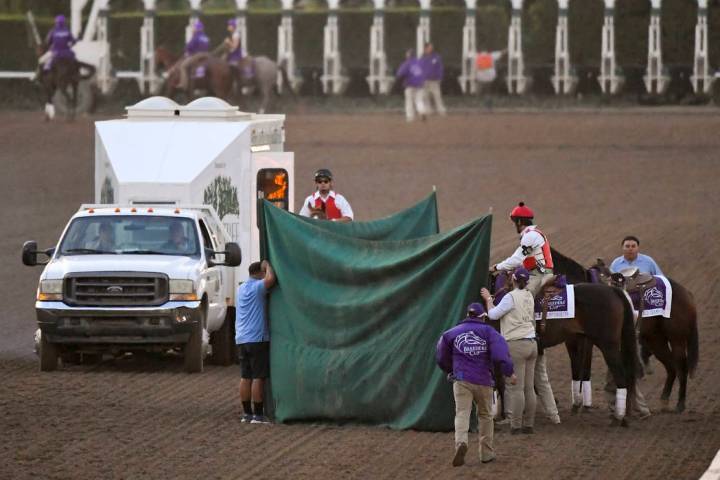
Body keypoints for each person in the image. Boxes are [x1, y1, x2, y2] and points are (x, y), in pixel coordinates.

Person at [436, 302, 515, 467]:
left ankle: (461, 443)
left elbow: (441, 356)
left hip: (461, 379)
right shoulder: (489, 332)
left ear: (467, 315)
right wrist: (509, 371)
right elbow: (501, 355)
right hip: (483, 380)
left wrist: (451, 369)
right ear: (482, 316)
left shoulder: (451, 334)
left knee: (462, 413)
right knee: (485, 416)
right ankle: (486, 453)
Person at [481, 267, 537, 435]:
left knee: (516, 387)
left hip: (516, 344)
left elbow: (493, 315)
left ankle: (516, 425)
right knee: (528, 387)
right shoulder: (529, 295)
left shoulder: (510, 297)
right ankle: (529, 424)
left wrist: (488, 299)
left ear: (513, 279)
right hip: (532, 343)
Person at [236, 260, 276, 424]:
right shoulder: (258, 287)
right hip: (257, 338)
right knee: (258, 377)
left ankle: (247, 414)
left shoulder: (241, 288)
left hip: (241, 338)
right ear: (259, 273)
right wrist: (268, 266)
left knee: (246, 377)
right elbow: (271, 280)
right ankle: (258, 415)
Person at [491, 202, 554, 297]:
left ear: (519, 222)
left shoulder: (530, 235)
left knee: (521, 298)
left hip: (540, 275)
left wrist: (496, 267)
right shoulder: (531, 234)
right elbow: (523, 261)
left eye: (514, 222)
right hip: (538, 273)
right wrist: (508, 269)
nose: (514, 225)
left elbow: (516, 259)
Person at [178, 20, 211, 91]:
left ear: (197, 28)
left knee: (183, 66)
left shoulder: (196, 36)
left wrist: (187, 52)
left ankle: (183, 85)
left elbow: (189, 47)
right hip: (207, 55)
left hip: (198, 55)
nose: (193, 29)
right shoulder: (205, 37)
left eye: (194, 28)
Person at [396, 49, 426, 122]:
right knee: (419, 100)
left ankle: (410, 117)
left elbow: (399, 73)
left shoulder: (407, 63)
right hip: (420, 84)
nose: (406, 55)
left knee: (409, 101)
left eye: (407, 54)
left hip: (410, 84)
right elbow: (424, 72)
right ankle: (422, 111)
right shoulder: (420, 62)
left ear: (409, 55)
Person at [420, 42, 446, 116]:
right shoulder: (422, 58)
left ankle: (441, 111)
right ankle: (428, 111)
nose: (431, 48)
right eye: (429, 47)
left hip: (434, 80)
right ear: (426, 48)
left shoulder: (436, 57)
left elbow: (440, 68)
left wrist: (440, 77)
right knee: (425, 96)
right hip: (424, 80)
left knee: (437, 96)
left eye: (431, 47)